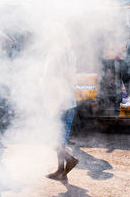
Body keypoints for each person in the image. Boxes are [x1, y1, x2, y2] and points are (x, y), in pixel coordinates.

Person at [42, 32, 79, 181]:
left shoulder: (54, 53)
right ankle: (60, 171)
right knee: (60, 139)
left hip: (57, 101)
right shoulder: (71, 53)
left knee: (51, 137)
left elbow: (48, 78)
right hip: (69, 101)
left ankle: (69, 159)